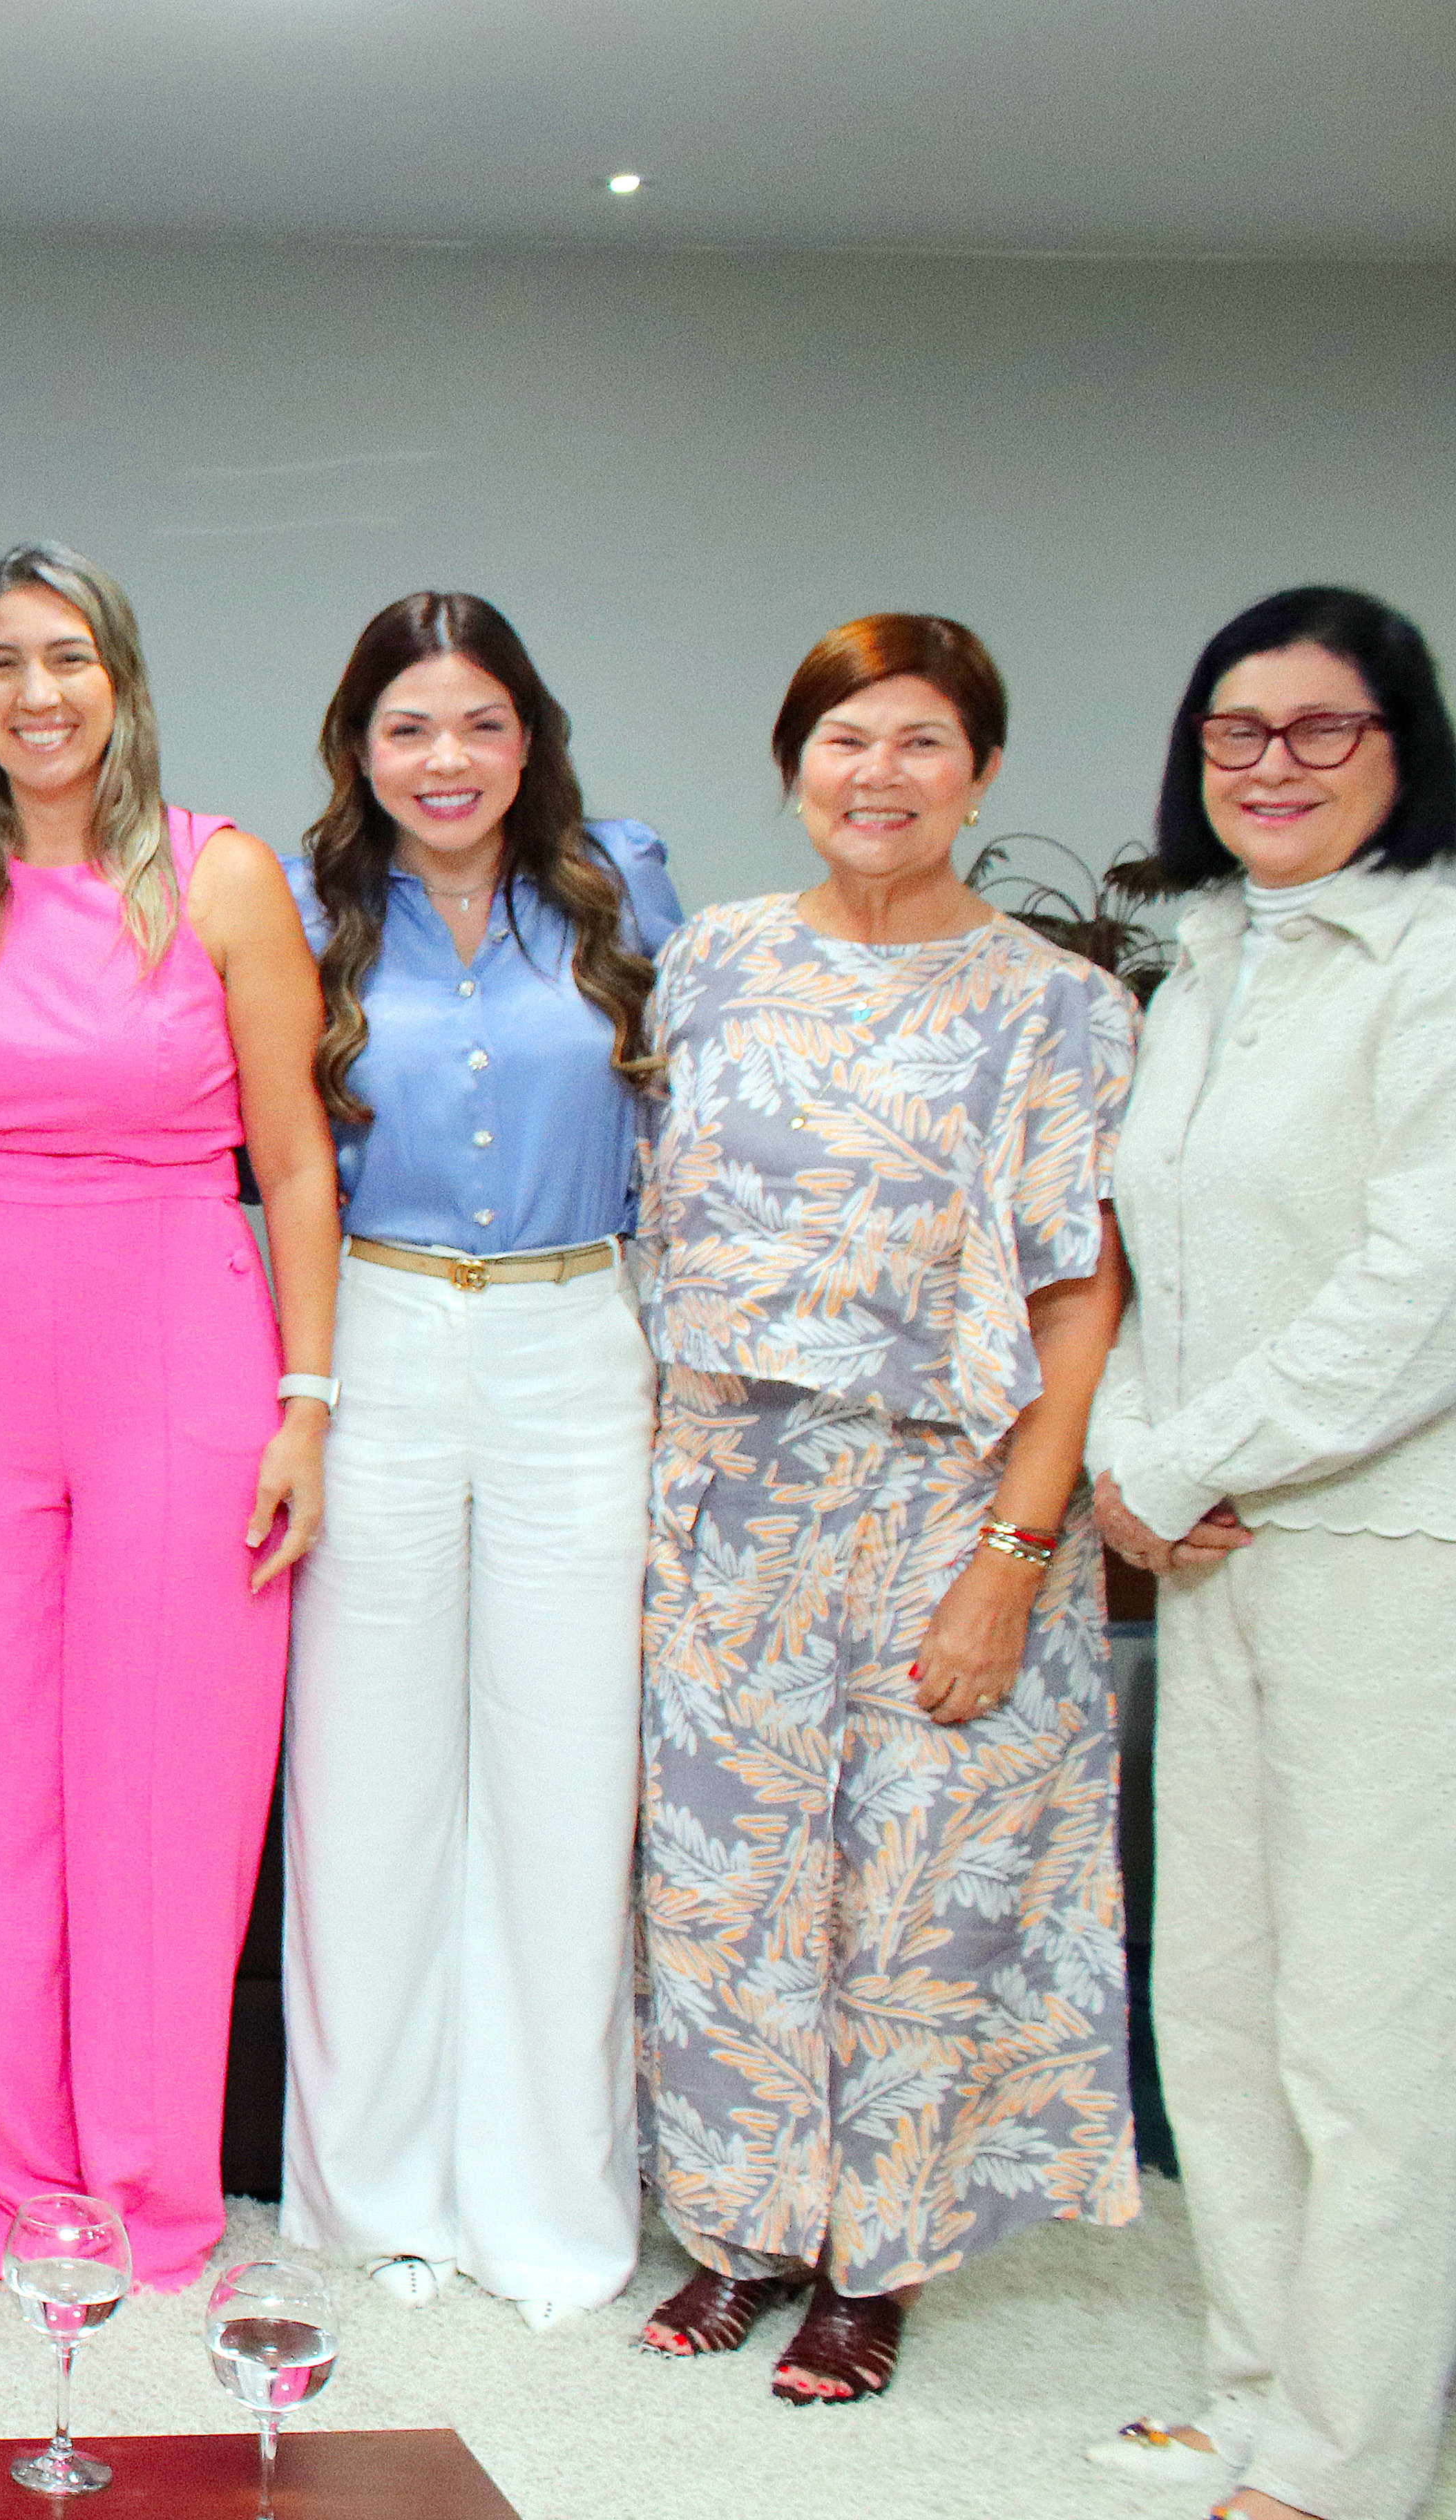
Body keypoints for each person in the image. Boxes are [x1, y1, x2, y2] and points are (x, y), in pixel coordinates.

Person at [631, 613, 1138, 2404]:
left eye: (922, 743)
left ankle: (877, 2260)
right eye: (846, 742)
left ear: (982, 772)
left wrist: (1012, 1555)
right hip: (729, 1497)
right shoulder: (707, 966)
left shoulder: (1062, 1004)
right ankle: (744, 2229)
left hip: (945, 1499)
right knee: (727, 1892)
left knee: (925, 1895)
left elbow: (1082, 1295)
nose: (880, 777)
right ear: (793, 767)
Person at [0, 542, 336, 2290]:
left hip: (181, 1342)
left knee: (166, 1781)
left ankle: (139, 2189)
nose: (35, 694)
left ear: (119, 680)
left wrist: (306, 1398)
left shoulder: (221, 884)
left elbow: (290, 1156)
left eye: (66, 658)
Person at [1085, 587, 1456, 2520]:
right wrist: (1135, 1467)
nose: (1276, 766)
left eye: (1324, 731)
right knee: (1214, 2009)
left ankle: (1355, 2459)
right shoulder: (1205, 957)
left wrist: (1192, 1454)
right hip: (1214, 1543)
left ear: (1403, 747)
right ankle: (1254, 2395)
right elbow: (1157, 1254)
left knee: (1368, 2035)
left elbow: (1424, 1282)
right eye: (1240, 731)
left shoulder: (1438, 954)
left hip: (1385, 1550)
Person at [274, 592, 680, 2329]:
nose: (448, 760)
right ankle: (372, 2206)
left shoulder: (619, 884)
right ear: (362, 748)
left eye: (482, 724)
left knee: (565, 1768)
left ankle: (549, 2212)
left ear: (532, 735)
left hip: (577, 1341)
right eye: (409, 728)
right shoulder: (303, 914)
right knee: (364, 1778)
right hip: (372, 1338)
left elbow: (687, 1129)